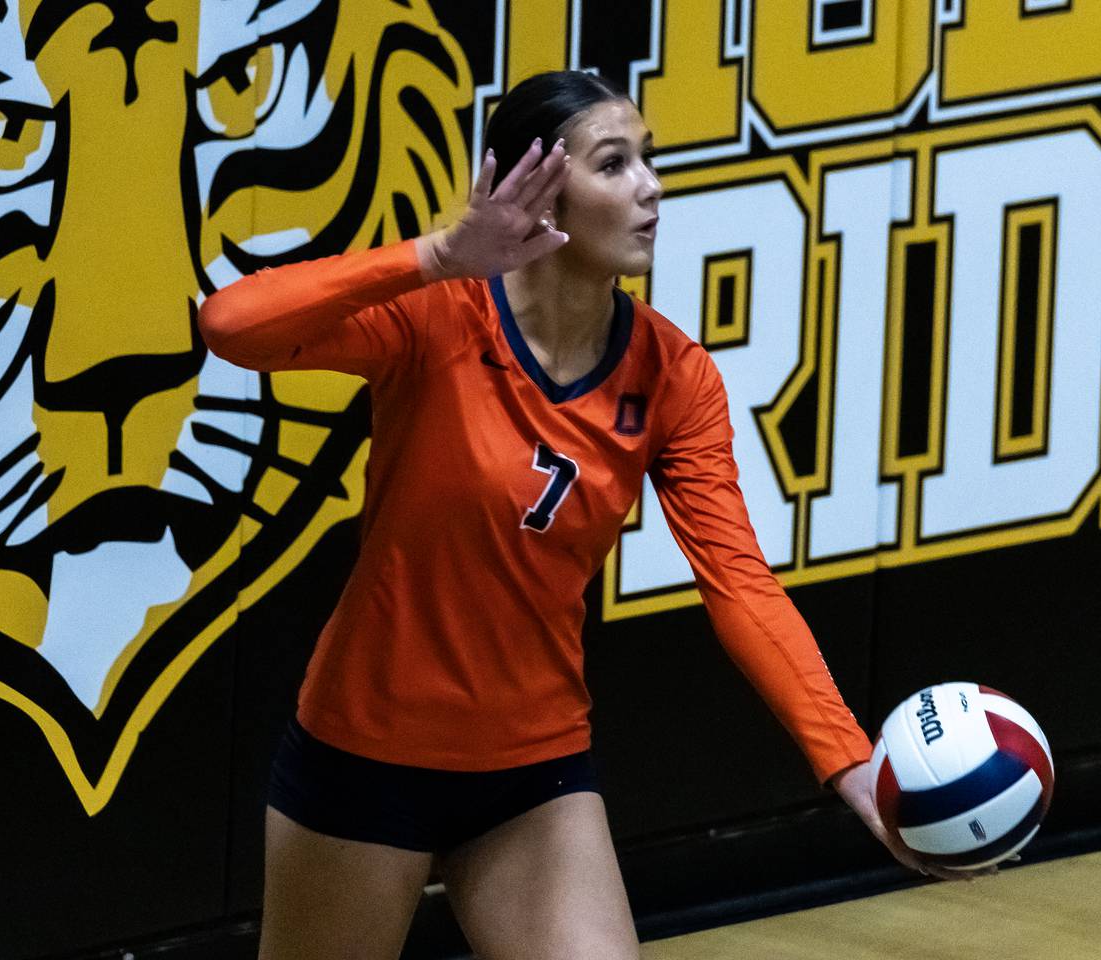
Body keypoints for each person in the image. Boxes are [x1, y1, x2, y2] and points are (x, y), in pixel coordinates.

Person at [199, 70, 960, 960]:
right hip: (368, 757)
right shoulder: (438, 317)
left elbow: (740, 585)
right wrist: (439, 255)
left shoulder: (675, 378)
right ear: (539, 187)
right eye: (615, 163)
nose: (651, 186)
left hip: (531, 772)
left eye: (649, 159)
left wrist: (847, 758)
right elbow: (230, 326)